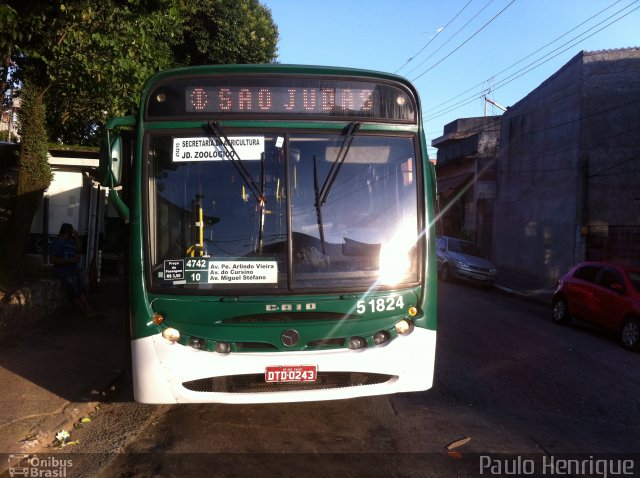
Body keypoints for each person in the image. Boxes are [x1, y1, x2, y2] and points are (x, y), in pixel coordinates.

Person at [49, 223, 98, 319]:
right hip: (65, 273)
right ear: (65, 233)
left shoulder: (70, 240)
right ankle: (86, 312)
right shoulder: (58, 243)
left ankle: (89, 310)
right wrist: (68, 260)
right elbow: (52, 260)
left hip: (73, 271)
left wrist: (76, 237)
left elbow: (79, 249)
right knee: (75, 294)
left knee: (81, 292)